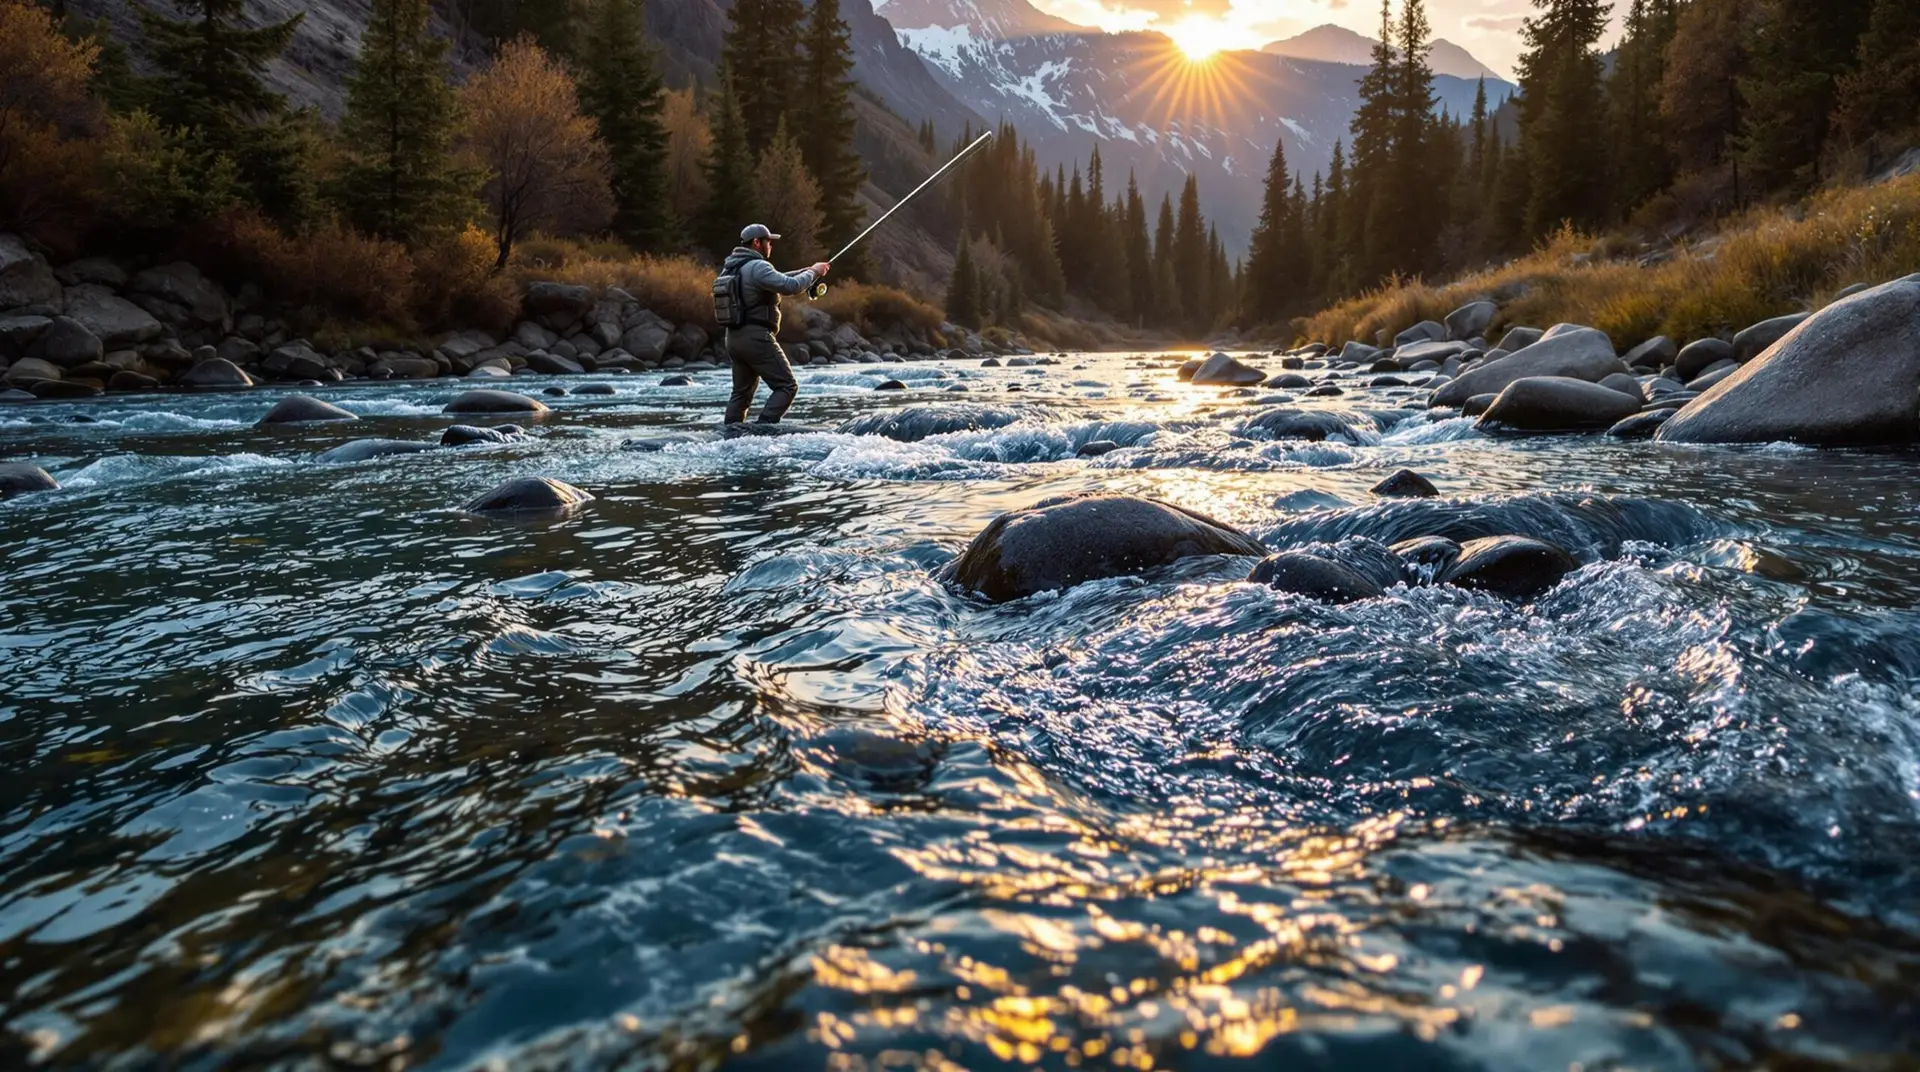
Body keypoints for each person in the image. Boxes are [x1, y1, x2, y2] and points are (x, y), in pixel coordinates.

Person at [718, 224, 831, 425]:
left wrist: (808, 270)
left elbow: (781, 277)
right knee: (787, 386)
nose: (770, 245)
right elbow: (791, 286)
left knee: (741, 394)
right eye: (768, 241)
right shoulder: (758, 267)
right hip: (756, 339)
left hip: (734, 339)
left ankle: (730, 435)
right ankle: (763, 430)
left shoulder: (733, 268)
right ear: (756, 242)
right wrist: (813, 273)